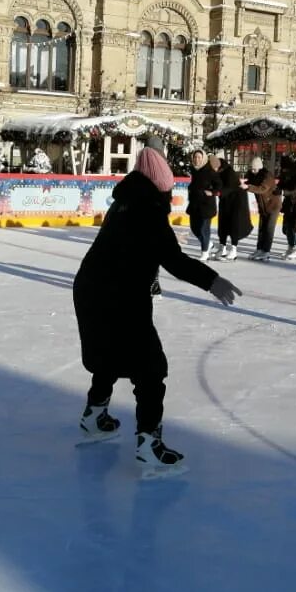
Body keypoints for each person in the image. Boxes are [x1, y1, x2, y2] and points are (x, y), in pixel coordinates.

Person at [74, 144, 241, 473]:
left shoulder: (123, 204)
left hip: (92, 289)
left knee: (109, 354)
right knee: (150, 369)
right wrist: (213, 281)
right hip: (118, 297)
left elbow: (131, 251)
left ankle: (94, 416)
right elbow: (174, 261)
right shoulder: (148, 209)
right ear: (160, 186)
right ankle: (149, 445)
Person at [214, 154, 253, 261]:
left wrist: (219, 192)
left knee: (234, 225)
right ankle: (222, 248)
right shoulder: (218, 172)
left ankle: (234, 249)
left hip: (237, 202)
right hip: (225, 201)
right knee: (222, 224)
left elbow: (230, 187)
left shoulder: (229, 172)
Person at [185, 150, 221, 259]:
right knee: (194, 228)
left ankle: (205, 252)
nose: (197, 159)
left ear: (203, 158)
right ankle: (208, 244)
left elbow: (219, 184)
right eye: (195, 157)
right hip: (195, 206)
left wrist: (212, 192)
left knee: (204, 229)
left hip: (206, 206)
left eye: (199, 157)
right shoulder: (194, 170)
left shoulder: (209, 171)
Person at [245, 156, 281, 262]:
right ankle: (259, 249)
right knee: (261, 229)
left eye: (254, 169)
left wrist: (248, 187)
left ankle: (266, 251)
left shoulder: (267, 176)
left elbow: (262, 189)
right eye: (251, 168)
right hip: (263, 207)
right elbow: (247, 181)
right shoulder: (252, 175)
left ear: (260, 168)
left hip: (273, 206)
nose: (252, 170)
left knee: (269, 230)